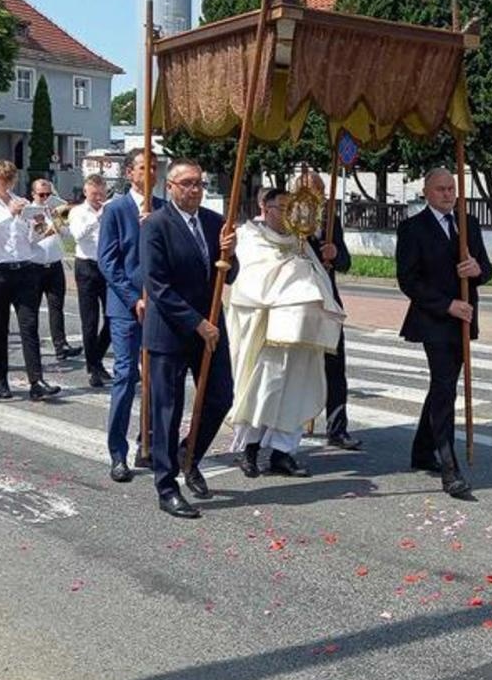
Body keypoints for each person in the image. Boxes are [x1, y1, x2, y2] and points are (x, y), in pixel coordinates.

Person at [228, 187, 346, 478]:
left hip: (303, 334)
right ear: (265, 209)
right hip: (267, 333)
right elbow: (250, 284)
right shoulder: (249, 238)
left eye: (290, 207)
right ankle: (250, 451)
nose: (287, 213)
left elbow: (320, 278)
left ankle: (283, 453)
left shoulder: (301, 243)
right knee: (263, 389)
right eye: (281, 207)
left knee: (297, 389)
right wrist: (291, 277)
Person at [142, 159, 237, 518]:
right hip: (171, 330)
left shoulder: (215, 223)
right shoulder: (156, 225)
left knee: (220, 396)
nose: (194, 189)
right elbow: (158, 286)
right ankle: (167, 486)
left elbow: (228, 277)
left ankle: (189, 455)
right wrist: (196, 323)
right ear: (170, 186)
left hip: (210, 326)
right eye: (186, 183)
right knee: (168, 409)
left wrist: (231, 251)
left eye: (199, 182)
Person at [394, 166, 492, 500]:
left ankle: (422, 450)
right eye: (440, 189)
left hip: (463, 320)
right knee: (445, 386)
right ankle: (449, 469)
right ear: (426, 192)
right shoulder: (412, 228)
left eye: (452, 189)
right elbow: (409, 280)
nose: (448, 194)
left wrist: (477, 269)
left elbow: (486, 269)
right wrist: (446, 305)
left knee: (442, 385)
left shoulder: (469, 224)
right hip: (434, 319)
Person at [97, 148, 161, 483]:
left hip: (157, 308)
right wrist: (133, 297)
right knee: (125, 376)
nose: (149, 172)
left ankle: (147, 443)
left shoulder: (163, 208)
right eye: (142, 167)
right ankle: (117, 453)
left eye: (153, 167)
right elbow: (108, 262)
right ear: (128, 173)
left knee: (156, 378)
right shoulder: (116, 210)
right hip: (125, 308)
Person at [0, 160, 59, 401]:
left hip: (24, 269)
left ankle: (36, 381)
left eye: (10, 179)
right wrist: (8, 215)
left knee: (29, 326)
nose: (6, 184)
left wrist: (38, 224)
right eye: (2, 179)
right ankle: (2, 381)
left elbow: (31, 240)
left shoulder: (21, 202)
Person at [302, 168, 360, 450]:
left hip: (328, 304)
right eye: (307, 193)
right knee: (298, 370)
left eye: (319, 194)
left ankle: (337, 428)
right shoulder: (288, 222)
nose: (314, 199)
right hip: (298, 306)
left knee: (335, 368)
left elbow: (346, 261)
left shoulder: (329, 221)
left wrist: (335, 254)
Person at [28, 177, 80, 362]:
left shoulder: (54, 212)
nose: (46, 198)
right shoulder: (28, 213)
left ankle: (61, 345)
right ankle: (32, 347)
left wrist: (59, 220)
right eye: (42, 195)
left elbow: (68, 235)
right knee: (31, 309)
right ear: (34, 194)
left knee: (57, 307)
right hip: (35, 266)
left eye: (49, 194)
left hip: (55, 264)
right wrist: (43, 227)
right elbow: (29, 239)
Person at [67, 174, 111, 388]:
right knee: (90, 321)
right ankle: (92, 368)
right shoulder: (78, 212)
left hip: (107, 266)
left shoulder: (109, 210)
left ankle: (97, 358)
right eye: (94, 194)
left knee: (112, 317)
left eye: (101, 194)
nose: (98, 198)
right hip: (86, 266)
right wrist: (98, 216)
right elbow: (77, 236)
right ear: (86, 193)